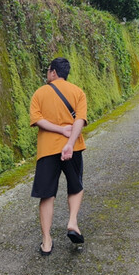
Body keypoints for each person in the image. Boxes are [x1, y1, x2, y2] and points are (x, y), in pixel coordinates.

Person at [29, 57, 88, 255]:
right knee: (76, 186)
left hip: (47, 150)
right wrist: (70, 141)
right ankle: (72, 222)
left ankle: (46, 241)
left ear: (53, 72)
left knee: (47, 194)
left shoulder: (40, 93)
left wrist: (59, 130)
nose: (47, 74)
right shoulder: (78, 92)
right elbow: (80, 120)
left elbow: (37, 119)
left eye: (48, 71)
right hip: (74, 148)